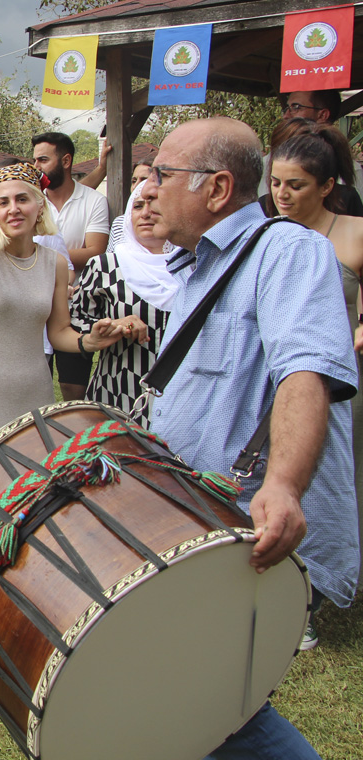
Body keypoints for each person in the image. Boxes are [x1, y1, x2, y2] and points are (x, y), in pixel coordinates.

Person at [142, 117, 359, 760]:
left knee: (214, 703)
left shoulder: (288, 251)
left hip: (243, 530)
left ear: (217, 188)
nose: (147, 188)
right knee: (201, 697)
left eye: (162, 175)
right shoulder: (197, 265)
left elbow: (307, 368)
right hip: (196, 517)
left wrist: (285, 484)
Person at [0, 146, 145, 455]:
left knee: (36, 492)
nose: (13, 209)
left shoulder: (55, 263)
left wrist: (90, 341)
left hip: (36, 391)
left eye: (22, 199)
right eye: (3, 202)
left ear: (39, 206)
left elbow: (59, 331)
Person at [265, 121, 363, 622]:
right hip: (286, 379)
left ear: (327, 187)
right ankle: (292, 586)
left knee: (343, 478)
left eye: (296, 185)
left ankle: (329, 577)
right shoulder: (269, 238)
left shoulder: (354, 232)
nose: (282, 194)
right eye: (276, 182)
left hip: (345, 378)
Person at [70, 182, 176, 426]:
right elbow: (75, 319)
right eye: (138, 206)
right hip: (119, 389)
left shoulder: (191, 266)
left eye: (156, 203)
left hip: (178, 394)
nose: (146, 213)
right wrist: (111, 326)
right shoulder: (106, 266)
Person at [32, 131, 111, 401]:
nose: (36, 167)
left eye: (43, 159)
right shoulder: (31, 201)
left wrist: (45, 256)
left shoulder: (93, 200)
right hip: (35, 302)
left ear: (66, 161)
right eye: (34, 161)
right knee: (36, 386)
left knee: (73, 390)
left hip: (78, 303)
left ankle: (76, 442)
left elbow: (96, 251)